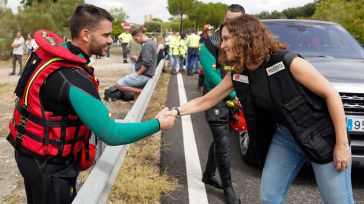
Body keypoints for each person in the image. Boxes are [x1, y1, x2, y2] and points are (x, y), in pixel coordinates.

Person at [167, 14, 353, 204]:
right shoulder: (239, 74)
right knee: (269, 197)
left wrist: (342, 144)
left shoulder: (288, 62)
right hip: (286, 137)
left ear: (244, 37)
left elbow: (332, 94)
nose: (221, 45)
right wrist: (175, 111)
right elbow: (206, 100)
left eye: (225, 39)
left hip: (321, 135)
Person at [7, 4, 175, 204]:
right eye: (105, 35)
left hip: (28, 154)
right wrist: (157, 124)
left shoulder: (51, 55)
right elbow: (111, 134)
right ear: (85, 34)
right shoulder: (73, 77)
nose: (110, 40)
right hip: (50, 167)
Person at [198, 4, 245, 204]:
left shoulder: (246, 41)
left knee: (221, 139)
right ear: (224, 19)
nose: (233, 24)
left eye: (238, 20)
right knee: (224, 143)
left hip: (238, 100)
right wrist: (233, 95)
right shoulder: (210, 44)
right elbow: (210, 77)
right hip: (216, 99)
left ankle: (209, 175)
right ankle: (228, 188)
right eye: (229, 20)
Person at [115, 26, 157, 99]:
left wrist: (138, 73)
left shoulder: (147, 45)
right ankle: (138, 106)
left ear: (140, 36)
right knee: (136, 93)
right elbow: (148, 59)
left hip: (143, 75)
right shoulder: (151, 42)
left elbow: (147, 62)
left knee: (118, 84)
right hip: (147, 74)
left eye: (136, 39)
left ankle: (144, 91)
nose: (136, 41)